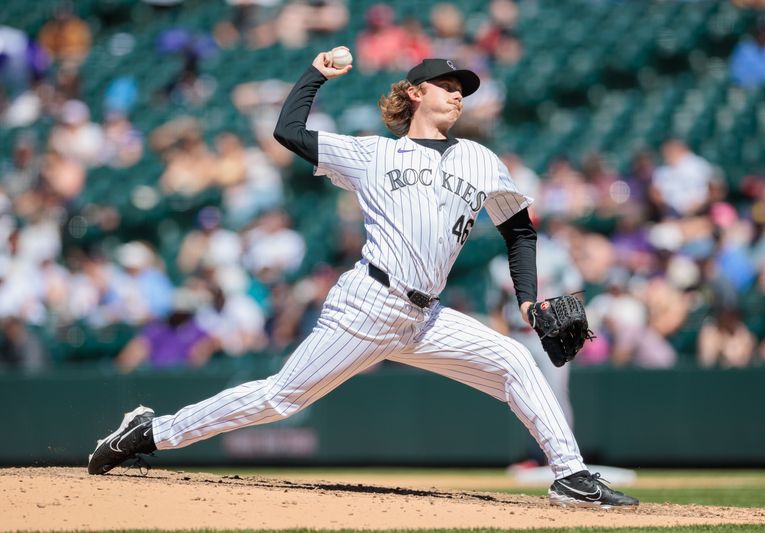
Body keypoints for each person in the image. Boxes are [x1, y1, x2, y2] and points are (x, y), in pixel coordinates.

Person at [87, 49, 638, 508]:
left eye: (462, 88)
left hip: (427, 317)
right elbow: (288, 131)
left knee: (517, 361)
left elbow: (519, 232)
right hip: (369, 304)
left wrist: (526, 301)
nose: (457, 94)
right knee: (280, 399)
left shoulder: (480, 159)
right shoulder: (372, 154)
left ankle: (571, 476)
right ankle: (152, 432)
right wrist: (315, 76)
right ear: (415, 92)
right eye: (446, 84)